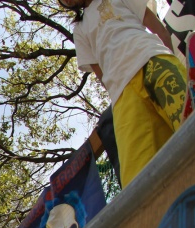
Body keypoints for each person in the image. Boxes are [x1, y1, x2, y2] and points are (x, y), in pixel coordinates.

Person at [59, 0, 187, 187]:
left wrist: (172, 58)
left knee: (190, 117)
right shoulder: (80, 30)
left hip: (152, 58)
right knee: (136, 177)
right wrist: (116, 86)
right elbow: (100, 73)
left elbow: (156, 26)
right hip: (122, 95)